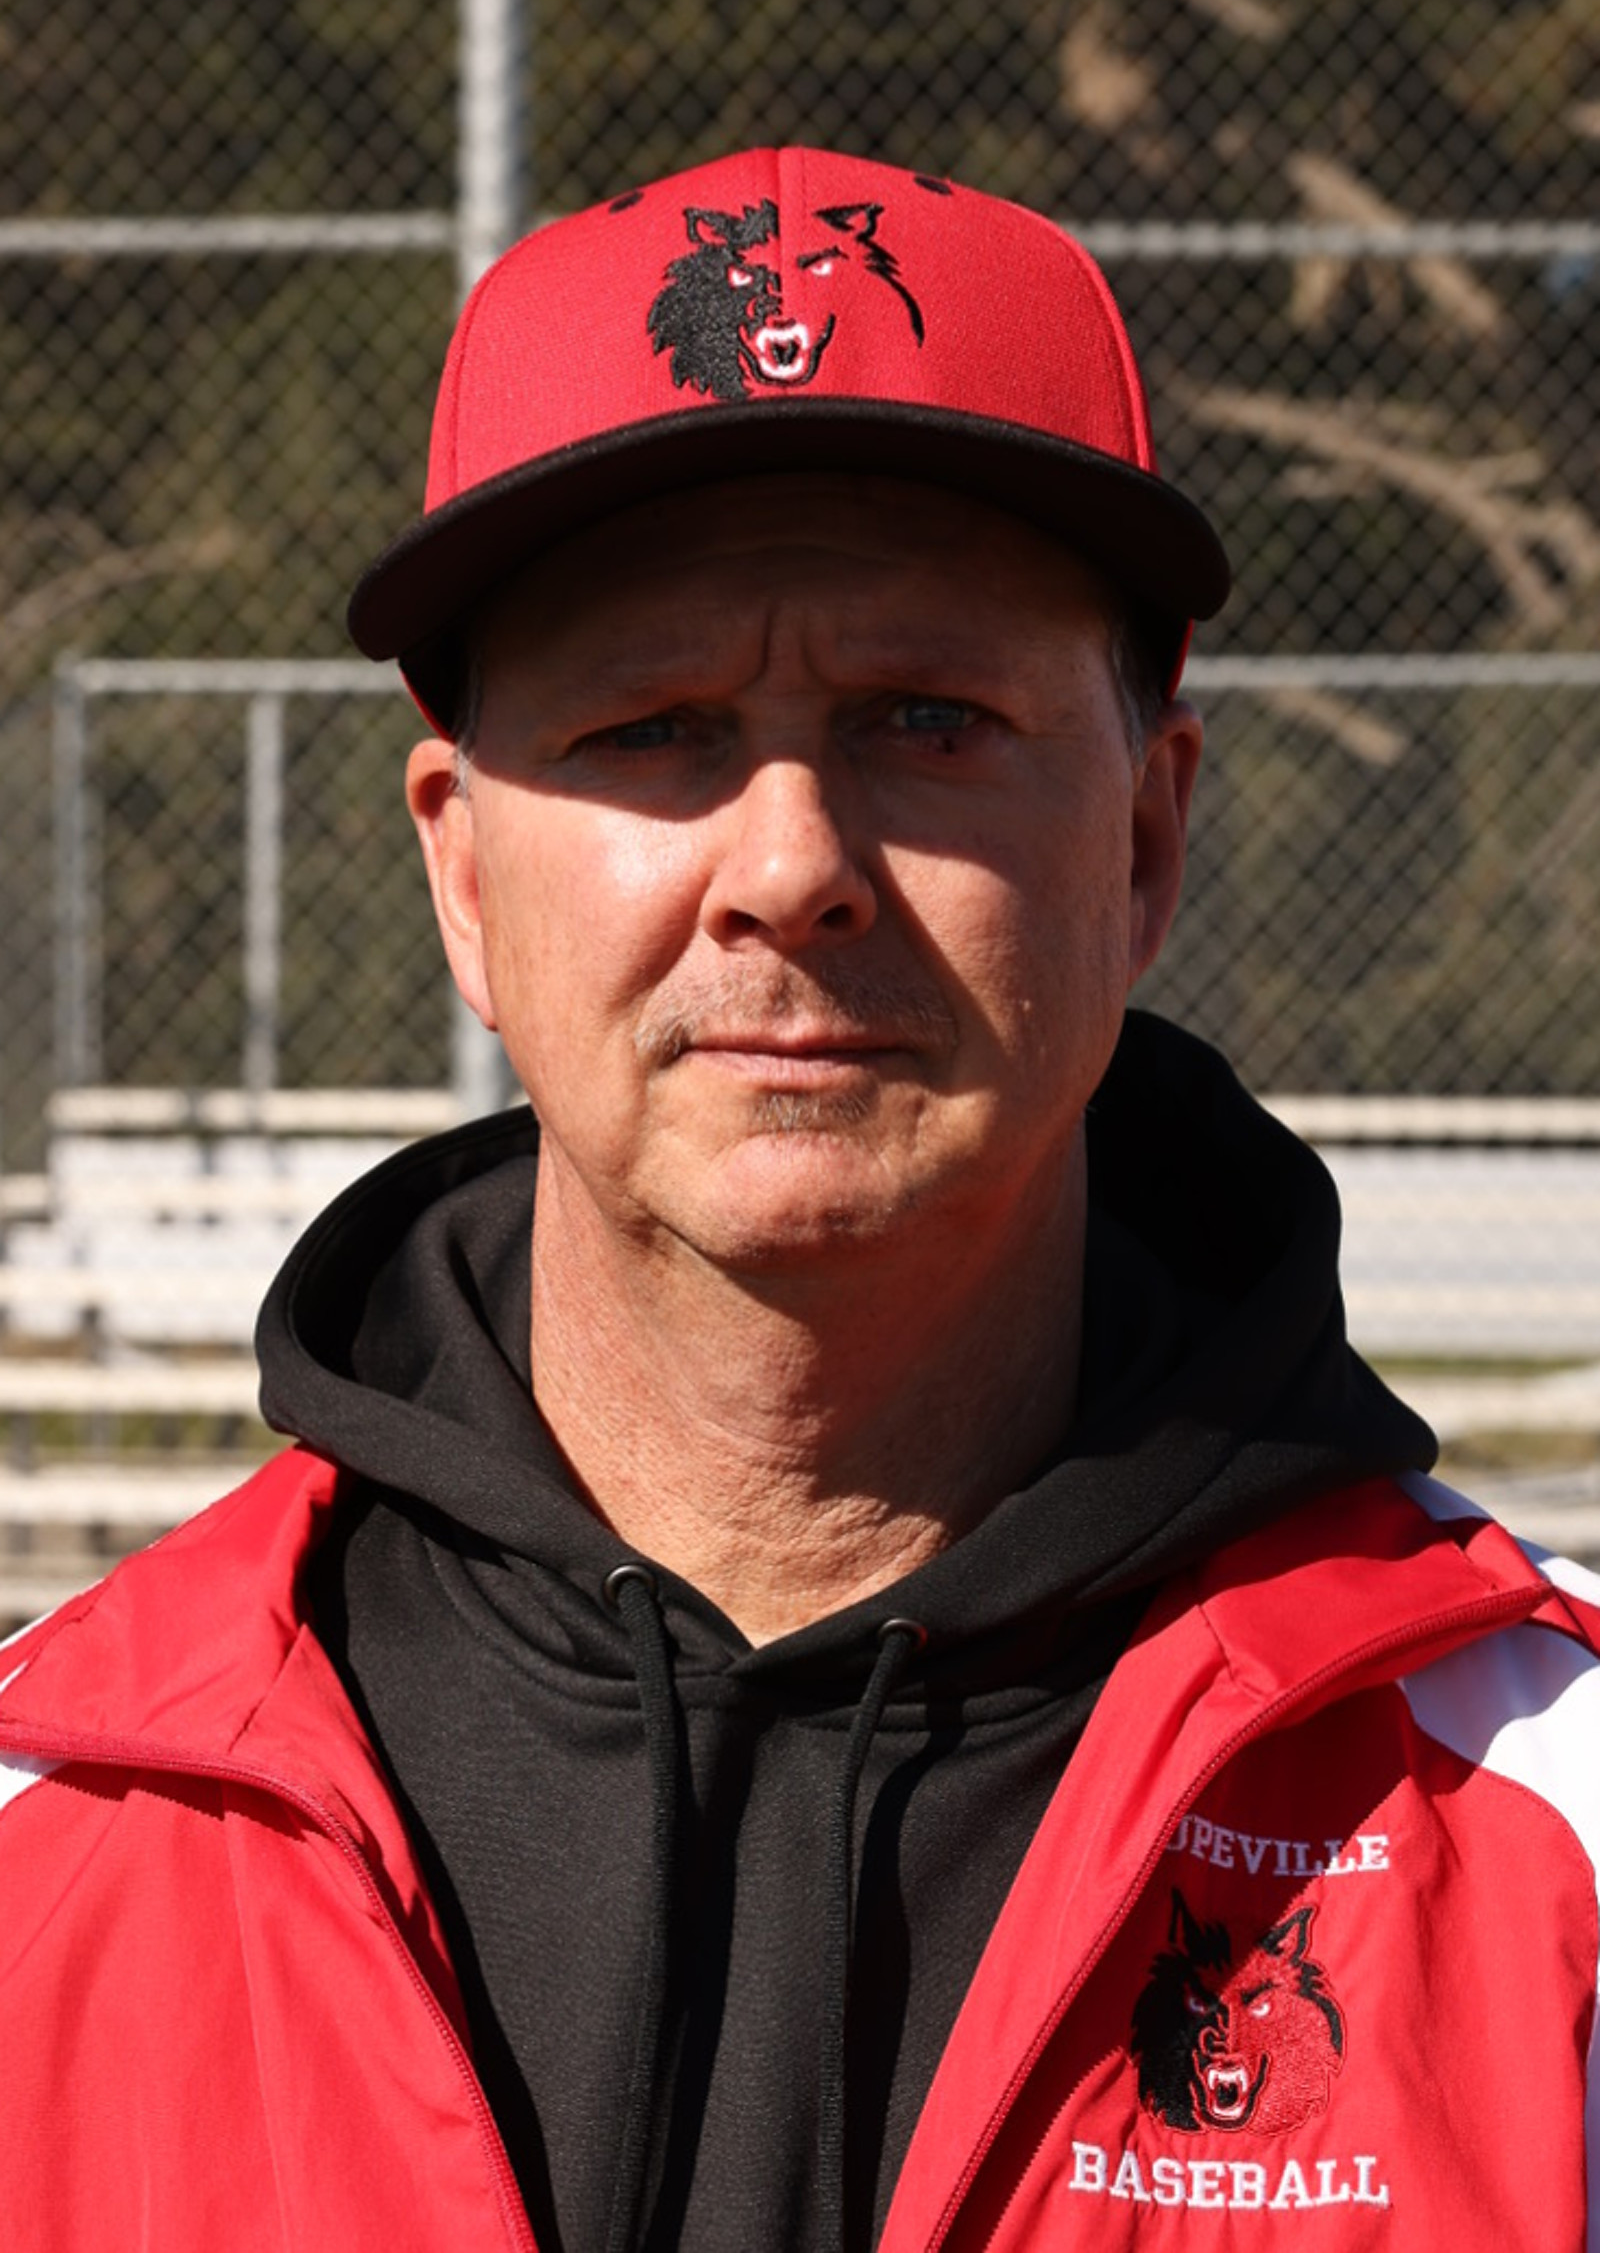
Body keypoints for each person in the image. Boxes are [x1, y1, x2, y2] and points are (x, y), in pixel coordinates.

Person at [1, 147, 1596, 2253]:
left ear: (1141, 844)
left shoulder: (1546, 1818)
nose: (789, 865)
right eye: (652, 727)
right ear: (462, 875)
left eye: (927, 719)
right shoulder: (57, 1820)